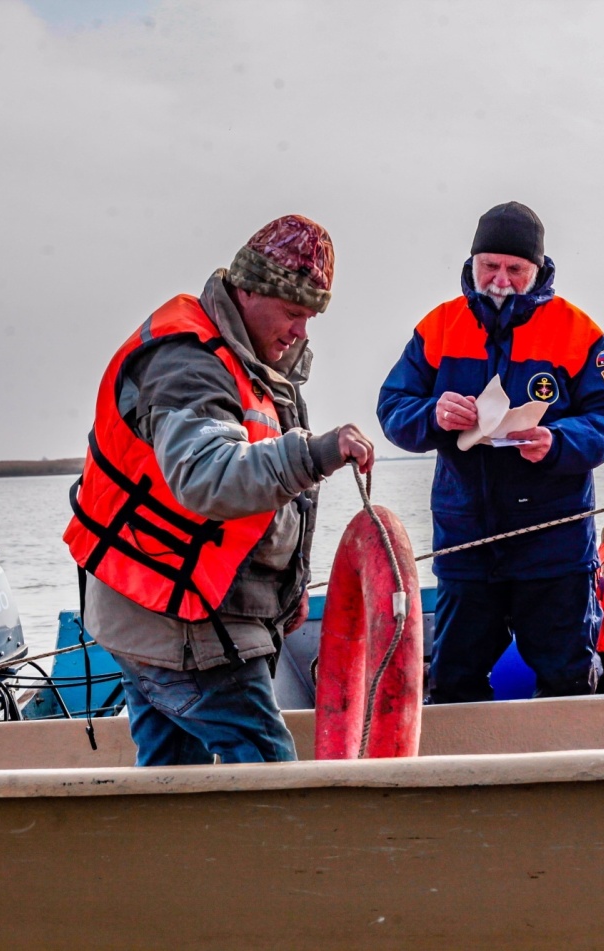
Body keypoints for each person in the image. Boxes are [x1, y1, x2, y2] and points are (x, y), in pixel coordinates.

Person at [64, 214, 374, 765]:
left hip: (161, 607)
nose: (302, 330)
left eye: (311, 317)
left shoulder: (249, 361)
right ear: (250, 290)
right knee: (265, 766)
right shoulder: (188, 365)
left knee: (173, 776)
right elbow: (207, 477)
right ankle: (281, 856)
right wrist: (316, 453)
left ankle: (169, 852)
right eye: (294, 312)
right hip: (177, 623)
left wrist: (287, 591)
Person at [377, 201, 604, 703]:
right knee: (452, 685)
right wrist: (433, 413)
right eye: (489, 265)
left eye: (515, 268)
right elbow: (392, 407)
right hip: (465, 544)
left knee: (568, 683)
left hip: (553, 545)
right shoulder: (439, 327)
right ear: (471, 263)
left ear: (537, 270)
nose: (500, 278)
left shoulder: (578, 331)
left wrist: (558, 442)